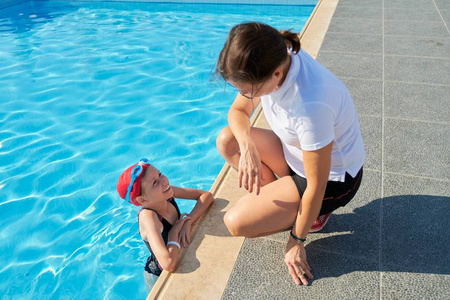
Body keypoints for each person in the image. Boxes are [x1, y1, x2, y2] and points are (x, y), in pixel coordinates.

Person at [215, 22, 365, 286]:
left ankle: (311, 216)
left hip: (332, 179)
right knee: (229, 140)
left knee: (236, 222)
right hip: (296, 155)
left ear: (275, 75)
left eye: (248, 91)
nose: (244, 96)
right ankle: (287, 200)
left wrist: (296, 241)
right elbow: (238, 113)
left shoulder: (311, 104)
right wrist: (247, 143)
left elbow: (317, 185)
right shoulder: (276, 52)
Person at [116, 158, 214, 293]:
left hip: (176, 256)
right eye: (155, 182)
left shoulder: (167, 193)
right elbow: (168, 264)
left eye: (160, 174)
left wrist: (188, 221)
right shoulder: (148, 217)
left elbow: (206, 196)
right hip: (158, 277)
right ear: (143, 200)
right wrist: (174, 233)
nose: (165, 180)